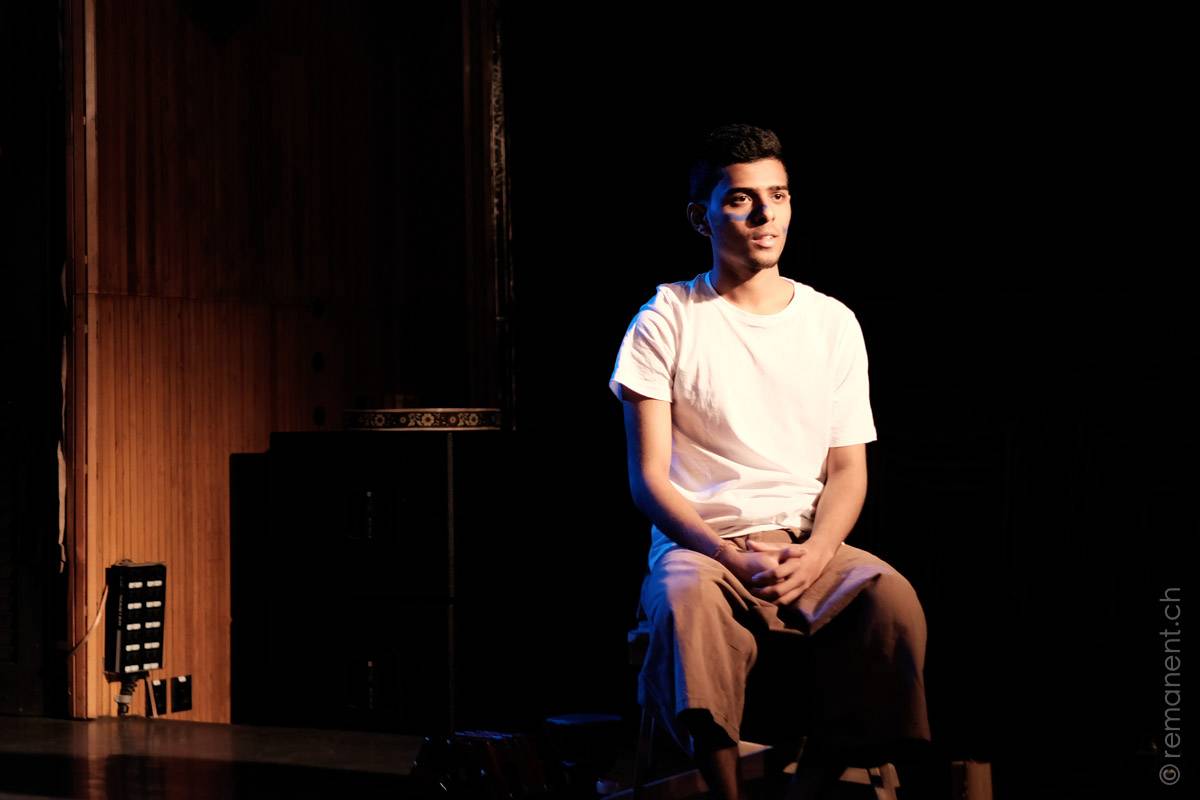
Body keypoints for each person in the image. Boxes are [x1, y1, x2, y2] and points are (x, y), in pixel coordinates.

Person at [609, 124, 932, 799]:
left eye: (778, 196)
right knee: (685, 603)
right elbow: (648, 480)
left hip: (805, 543)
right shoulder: (667, 318)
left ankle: (812, 783)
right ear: (702, 218)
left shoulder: (831, 322)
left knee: (890, 600)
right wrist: (727, 555)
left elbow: (848, 470)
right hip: (701, 546)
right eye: (741, 199)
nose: (765, 215)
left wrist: (817, 553)